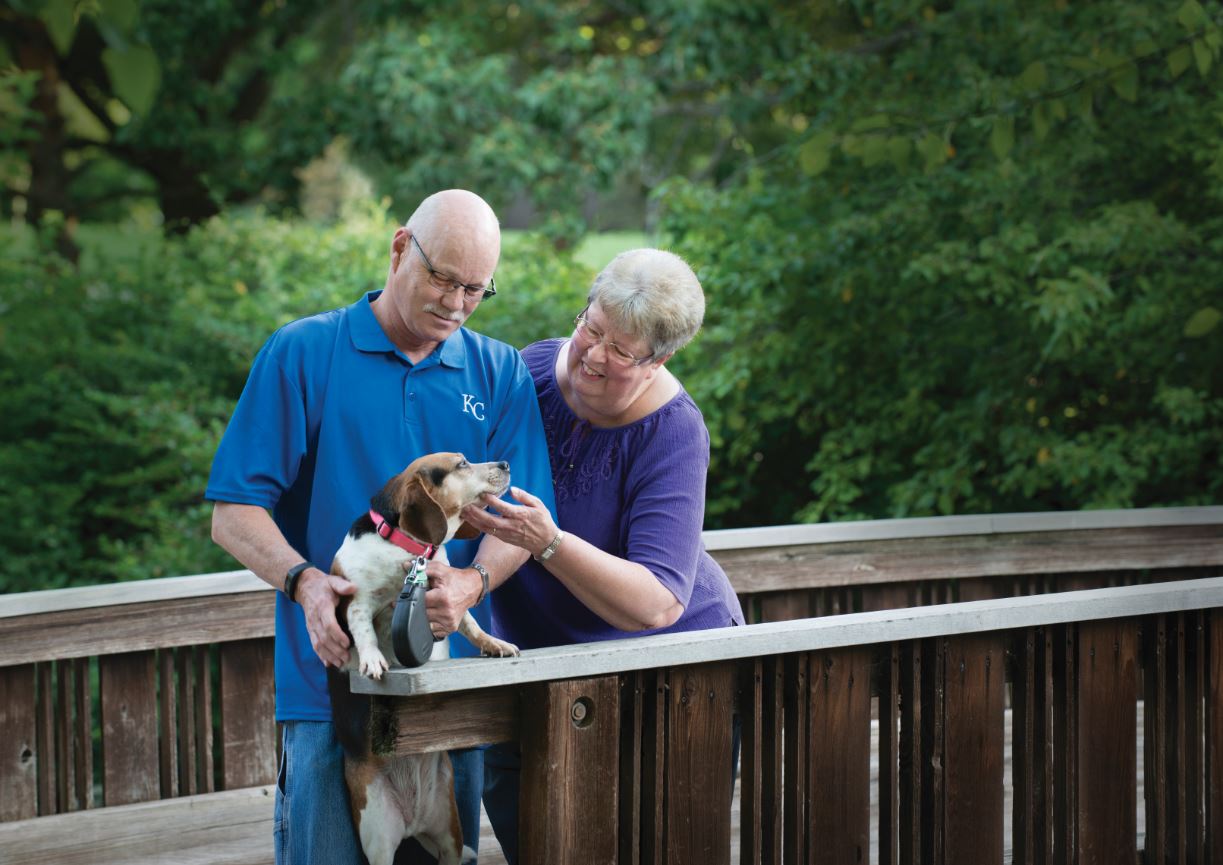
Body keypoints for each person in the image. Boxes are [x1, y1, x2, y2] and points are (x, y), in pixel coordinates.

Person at [205, 189, 555, 865]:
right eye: (443, 279)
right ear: (399, 249)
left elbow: (522, 525)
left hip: (446, 697)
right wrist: (305, 582)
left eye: (475, 289)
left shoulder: (500, 371)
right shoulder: (304, 352)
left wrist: (473, 583)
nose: (455, 304)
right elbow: (232, 512)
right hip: (332, 692)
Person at [459, 248, 745, 863]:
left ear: (660, 359)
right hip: (538, 668)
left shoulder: (674, 432)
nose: (592, 355)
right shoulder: (529, 372)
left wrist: (549, 543)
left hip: (667, 677)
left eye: (620, 350)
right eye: (591, 327)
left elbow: (658, 601)